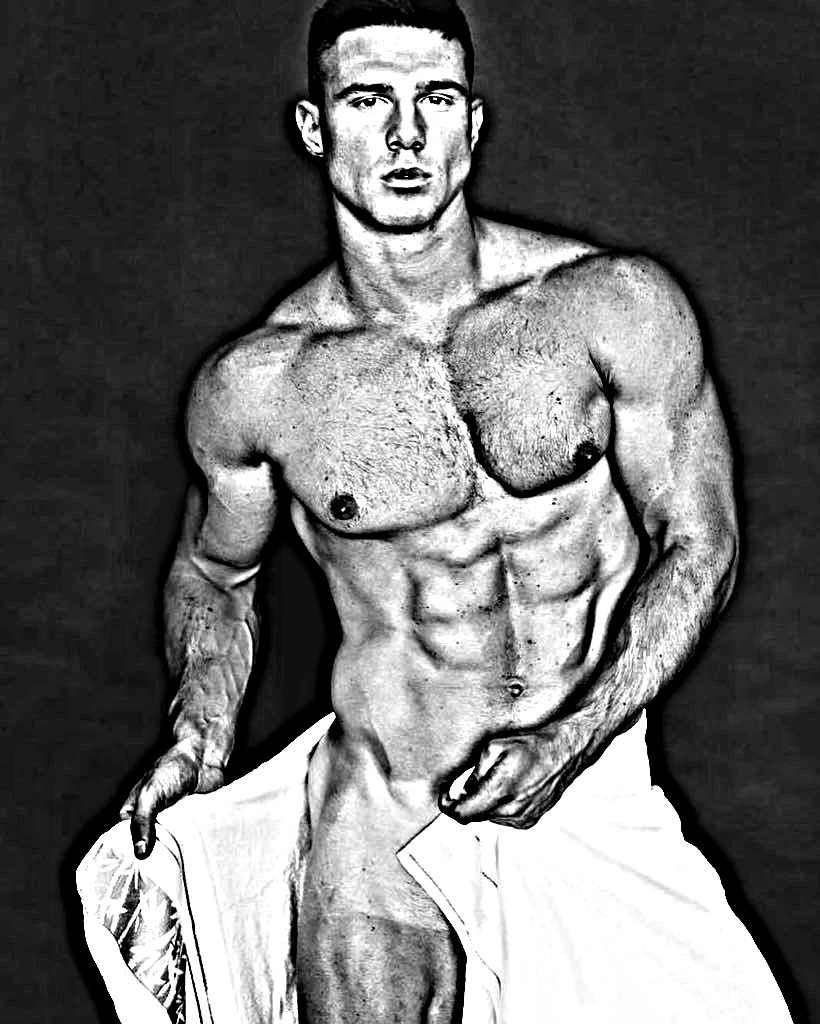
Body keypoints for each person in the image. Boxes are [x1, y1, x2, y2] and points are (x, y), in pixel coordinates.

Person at [82, 1, 791, 1021]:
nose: (407, 135)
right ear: (314, 126)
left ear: (475, 122)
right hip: (387, 810)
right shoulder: (262, 386)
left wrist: (574, 735)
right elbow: (214, 575)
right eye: (370, 100)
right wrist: (200, 726)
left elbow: (701, 543)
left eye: (437, 99)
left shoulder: (613, 308)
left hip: (587, 780)